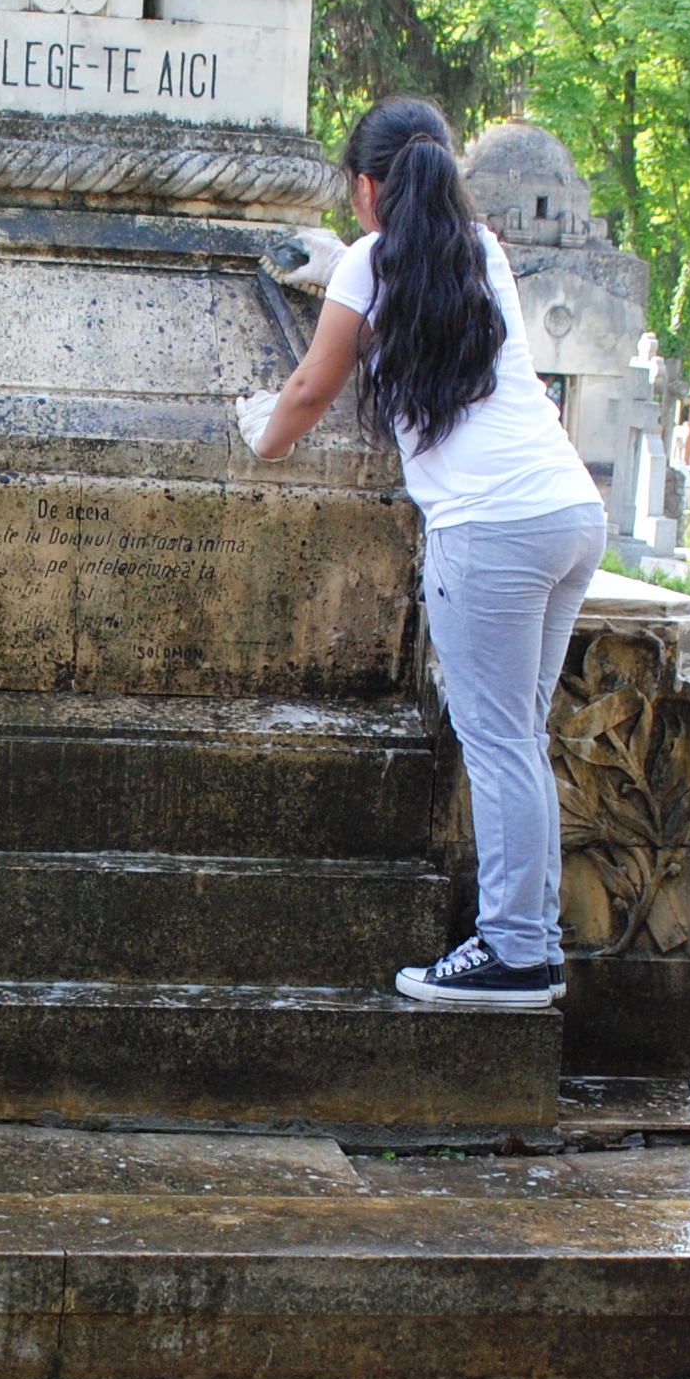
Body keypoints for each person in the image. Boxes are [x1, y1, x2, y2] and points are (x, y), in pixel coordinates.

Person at [245, 98, 606, 1010]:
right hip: (567, 512)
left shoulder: (375, 262)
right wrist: (342, 270)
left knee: (498, 745)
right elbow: (417, 291)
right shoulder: (482, 250)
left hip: (490, 534)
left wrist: (257, 430)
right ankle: (536, 943)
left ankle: (516, 951)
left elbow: (303, 397)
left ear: (367, 189)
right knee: (520, 741)